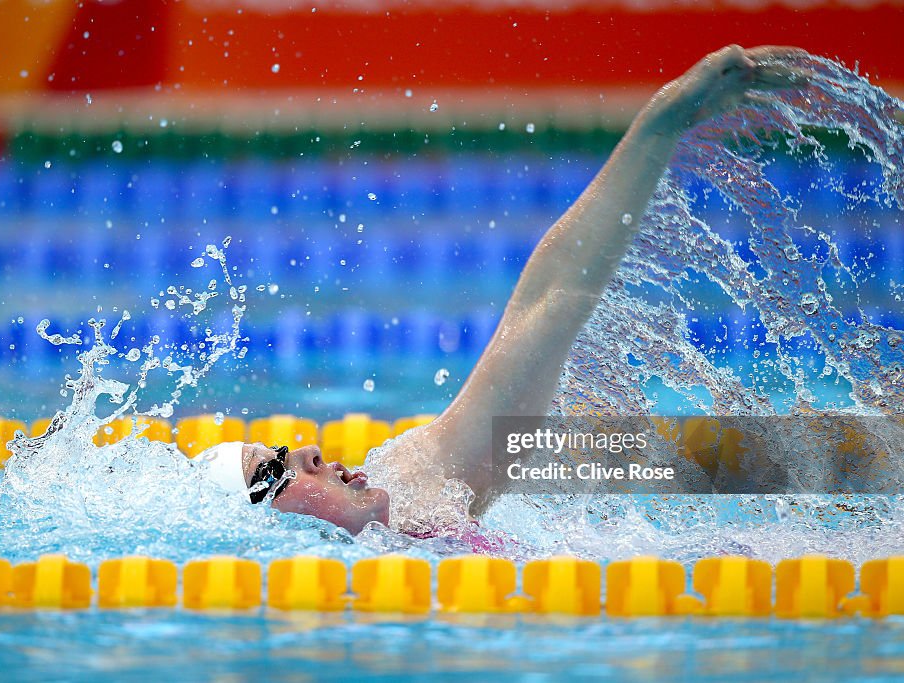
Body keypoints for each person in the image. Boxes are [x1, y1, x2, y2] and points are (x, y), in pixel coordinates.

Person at [197, 45, 812, 535]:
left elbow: (552, 300)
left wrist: (661, 123)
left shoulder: (422, 478)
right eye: (273, 469)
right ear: (268, 528)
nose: (305, 448)